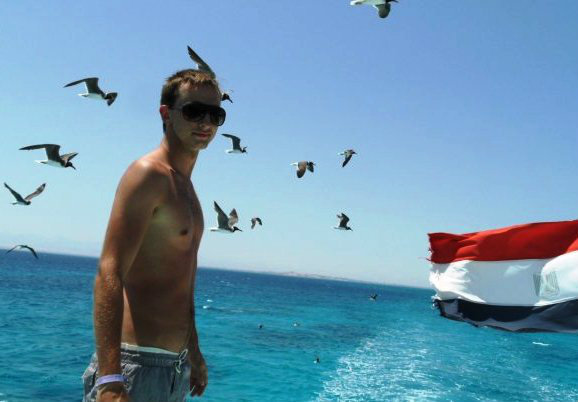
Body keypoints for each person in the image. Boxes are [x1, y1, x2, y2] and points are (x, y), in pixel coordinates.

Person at [81, 69, 226, 402]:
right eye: (194, 111)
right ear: (166, 113)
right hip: (135, 366)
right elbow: (109, 272)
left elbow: (181, 281)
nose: (205, 122)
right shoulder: (148, 175)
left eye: (215, 115)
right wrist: (111, 379)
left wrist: (193, 351)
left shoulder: (185, 188)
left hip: (173, 367)